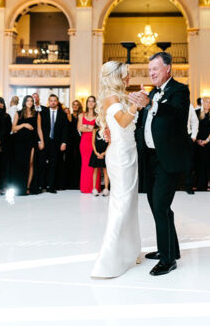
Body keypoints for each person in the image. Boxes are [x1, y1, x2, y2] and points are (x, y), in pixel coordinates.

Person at [129, 52, 193, 276]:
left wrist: (151, 104)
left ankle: (168, 260)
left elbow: (176, 115)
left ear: (168, 68)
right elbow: (146, 124)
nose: (152, 73)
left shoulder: (179, 90)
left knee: (160, 206)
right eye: (149, 70)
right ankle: (170, 249)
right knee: (158, 206)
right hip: (151, 158)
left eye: (155, 68)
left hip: (168, 159)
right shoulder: (153, 93)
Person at [91, 61, 142, 279]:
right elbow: (122, 121)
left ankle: (129, 252)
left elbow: (112, 125)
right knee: (122, 204)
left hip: (128, 152)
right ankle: (108, 261)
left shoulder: (116, 97)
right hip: (121, 156)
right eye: (125, 75)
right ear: (115, 76)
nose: (128, 78)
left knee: (129, 203)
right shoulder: (111, 97)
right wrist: (136, 105)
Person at [37, 94, 70, 193]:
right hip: (44, 142)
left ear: (57, 102)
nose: (53, 102)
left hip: (56, 143)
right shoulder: (43, 113)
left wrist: (64, 142)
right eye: (51, 100)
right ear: (48, 101)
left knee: (53, 165)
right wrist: (39, 141)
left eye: (55, 100)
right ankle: (41, 186)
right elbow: (39, 128)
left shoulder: (62, 114)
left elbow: (65, 130)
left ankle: (50, 186)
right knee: (42, 164)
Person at [12, 96, 42, 195]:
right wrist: (24, 125)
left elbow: (39, 129)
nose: (30, 102)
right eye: (28, 100)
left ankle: (28, 186)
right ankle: (21, 186)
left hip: (32, 140)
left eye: (31, 101)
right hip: (20, 141)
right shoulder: (19, 113)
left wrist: (42, 141)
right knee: (21, 164)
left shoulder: (37, 114)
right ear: (24, 102)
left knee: (31, 162)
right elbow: (14, 128)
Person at [194, 97, 210, 191]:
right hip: (198, 141)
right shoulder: (196, 113)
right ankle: (199, 183)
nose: (208, 104)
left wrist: (207, 140)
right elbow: (193, 127)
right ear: (202, 103)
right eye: (206, 102)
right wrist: (197, 140)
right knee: (199, 163)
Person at [79, 96, 101, 194]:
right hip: (84, 142)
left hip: (95, 142)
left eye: (93, 101)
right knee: (85, 164)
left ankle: (95, 187)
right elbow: (80, 128)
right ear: (87, 103)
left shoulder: (98, 115)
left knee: (95, 165)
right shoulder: (81, 115)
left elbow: (99, 129)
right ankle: (85, 187)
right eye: (89, 101)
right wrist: (92, 128)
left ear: (95, 103)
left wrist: (86, 127)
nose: (91, 103)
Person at [89, 122, 108, 197]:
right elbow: (93, 142)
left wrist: (104, 153)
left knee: (105, 170)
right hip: (96, 152)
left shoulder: (107, 129)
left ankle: (106, 189)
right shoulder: (95, 130)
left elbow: (110, 142)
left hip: (105, 153)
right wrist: (96, 152)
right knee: (95, 170)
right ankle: (94, 189)